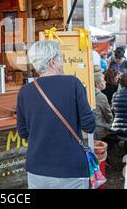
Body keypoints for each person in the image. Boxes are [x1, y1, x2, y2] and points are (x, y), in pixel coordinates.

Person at [16, 40, 96, 189]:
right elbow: (89, 126)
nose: (63, 62)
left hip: (37, 168)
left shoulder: (25, 91)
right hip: (70, 167)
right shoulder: (73, 83)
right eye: (61, 58)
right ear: (52, 62)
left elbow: (23, 132)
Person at [93, 73, 113, 141]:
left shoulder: (88, 93)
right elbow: (108, 115)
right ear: (97, 84)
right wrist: (112, 123)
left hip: (89, 127)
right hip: (98, 128)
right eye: (103, 80)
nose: (105, 82)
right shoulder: (101, 96)